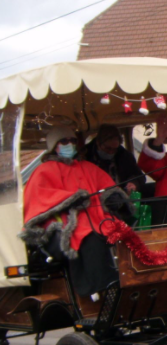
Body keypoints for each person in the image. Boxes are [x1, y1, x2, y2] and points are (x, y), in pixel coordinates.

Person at [20, 126, 135, 297]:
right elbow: (40, 198)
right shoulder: (44, 170)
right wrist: (72, 198)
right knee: (88, 236)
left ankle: (132, 282)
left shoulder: (86, 166)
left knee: (126, 232)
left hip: (97, 219)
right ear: (54, 146)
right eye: (64, 141)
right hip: (62, 225)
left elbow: (107, 186)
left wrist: (115, 197)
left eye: (73, 141)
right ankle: (100, 290)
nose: (70, 144)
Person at [82, 124, 146, 195]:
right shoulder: (85, 156)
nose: (111, 152)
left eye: (114, 149)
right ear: (98, 143)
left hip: (120, 197)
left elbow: (139, 176)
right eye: (108, 148)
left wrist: (133, 183)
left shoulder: (124, 156)